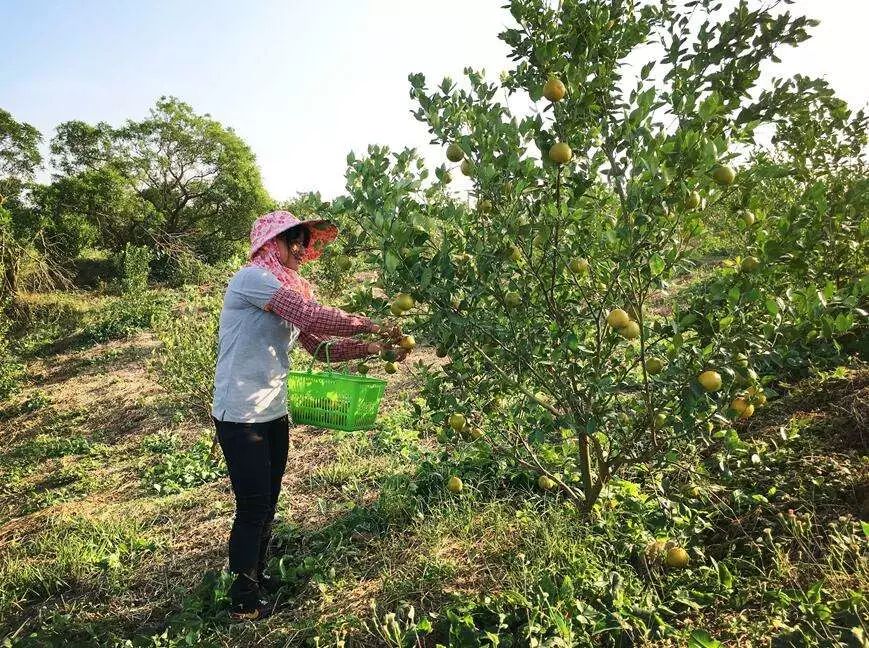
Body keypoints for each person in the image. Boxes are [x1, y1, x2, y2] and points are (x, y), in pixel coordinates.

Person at [210, 211, 405, 621]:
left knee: (268, 502)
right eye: (291, 240)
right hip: (240, 412)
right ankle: (243, 599)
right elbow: (314, 318)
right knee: (252, 506)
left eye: (303, 240)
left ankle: (257, 577)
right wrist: (371, 324)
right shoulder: (253, 280)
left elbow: (320, 347)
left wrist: (376, 350)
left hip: (273, 409)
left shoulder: (287, 289)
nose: (300, 248)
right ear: (270, 243)